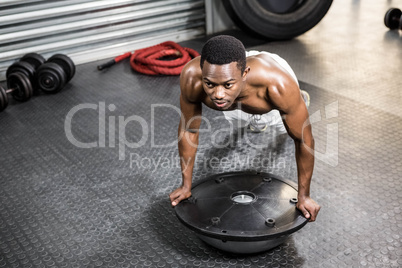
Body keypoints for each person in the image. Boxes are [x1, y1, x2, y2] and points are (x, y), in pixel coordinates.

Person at [169, 35, 320, 221]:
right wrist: (186, 186)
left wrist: (304, 196)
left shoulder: (277, 86)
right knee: (241, 116)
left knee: (285, 128)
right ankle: (250, 113)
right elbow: (189, 130)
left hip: (266, 89)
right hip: (236, 96)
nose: (217, 94)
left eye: (226, 85)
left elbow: (304, 140)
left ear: (245, 74)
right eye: (209, 84)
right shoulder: (193, 78)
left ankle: (300, 100)